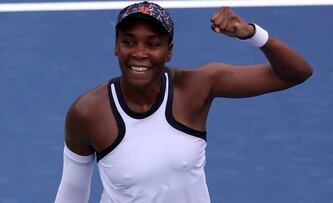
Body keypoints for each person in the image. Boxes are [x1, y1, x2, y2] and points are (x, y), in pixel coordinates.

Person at [55, 1, 313, 203]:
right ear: (116, 47)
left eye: (153, 44)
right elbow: (73, 192)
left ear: (169, 51)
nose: (140, 53)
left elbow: (296, 73)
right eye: (128, 42)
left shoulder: (197, 87)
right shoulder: (88, 113)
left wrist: (252, 34)